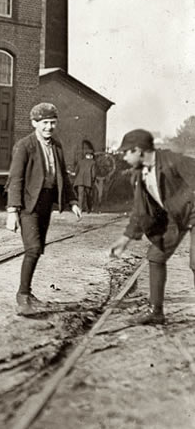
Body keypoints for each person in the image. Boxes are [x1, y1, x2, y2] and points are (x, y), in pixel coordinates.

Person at [109, 129, 195, 325]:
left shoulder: (173, 161)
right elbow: (140, 210)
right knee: (155, 256)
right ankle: (156, 312)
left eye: (126, 152)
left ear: (139, 151)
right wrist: (125, 238)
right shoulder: (140, 174)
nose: (123, 157)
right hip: (174, 218)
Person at [5, 102, 82, 315]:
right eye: (45, 123)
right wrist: (12, 211)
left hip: (46, 202)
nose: (49, 127)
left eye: (53, 123)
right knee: (33, 248)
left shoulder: (56, 145)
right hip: (28, 204)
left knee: (38, 249)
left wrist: (72, 201)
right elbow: (16, 179)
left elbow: (63, 177)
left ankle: (27, 293)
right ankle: (22, 296)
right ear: (34, 123)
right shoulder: (25, 145)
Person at [72, 143, 97, 212]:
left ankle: (80, 208)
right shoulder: (93, 162)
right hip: (88, 181)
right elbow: (93, 173)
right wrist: (93, 180)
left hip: (79, 181)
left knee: (80, 195)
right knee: (88, 195)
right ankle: (89, 208)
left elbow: (76, 171)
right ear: (91, 156)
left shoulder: (80, 161)